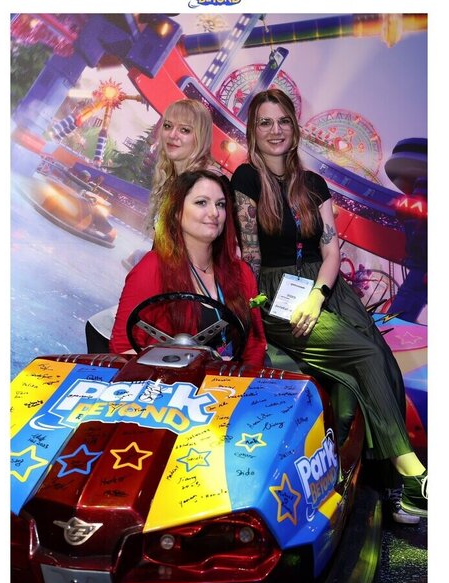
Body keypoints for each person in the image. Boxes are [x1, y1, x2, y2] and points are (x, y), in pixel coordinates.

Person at [230, 88, 427, 520]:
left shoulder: (314, 185)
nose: (275, 130)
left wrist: (318, 295)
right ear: (253, 131)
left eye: (283, 121)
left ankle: (385, 487)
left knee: (383, 362)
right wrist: (258, 312)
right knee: (364, 355)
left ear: (294, 127)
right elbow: (250, 256)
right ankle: (414, 476)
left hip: (325, 285)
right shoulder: (245, 179)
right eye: (265, 122)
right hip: (276, 291)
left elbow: (331, 251)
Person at [110, 170, 266, 368]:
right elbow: (122, 348)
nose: (214, 213)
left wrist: (240, 378)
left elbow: (255, 345)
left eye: (220, 204)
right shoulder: (152, 268)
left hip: (229, 384)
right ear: (177, 211)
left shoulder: (242, 273)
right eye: (202, 202)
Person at [123, 98, 227, 269]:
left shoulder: (208, 182)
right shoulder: (174, 177)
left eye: (184, 130)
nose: (172, 135)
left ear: (200, 137)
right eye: (168, 126)